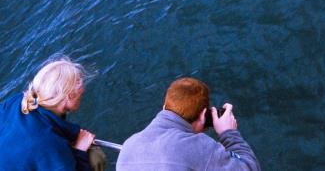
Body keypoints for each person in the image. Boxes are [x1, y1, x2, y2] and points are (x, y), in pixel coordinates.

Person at [116, 77, 260, 171]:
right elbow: (251, 168)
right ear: (204, 115)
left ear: (165, 106)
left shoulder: (129, 145)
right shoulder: (199, 146)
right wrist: (229, 134)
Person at [0, 55, 106, 171]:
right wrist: (79, 150)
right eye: (80, 90)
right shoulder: (49, 143)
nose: (83, 91)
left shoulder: (17, 100)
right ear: (69, 97)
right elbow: (47, 144)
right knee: (95, 156)